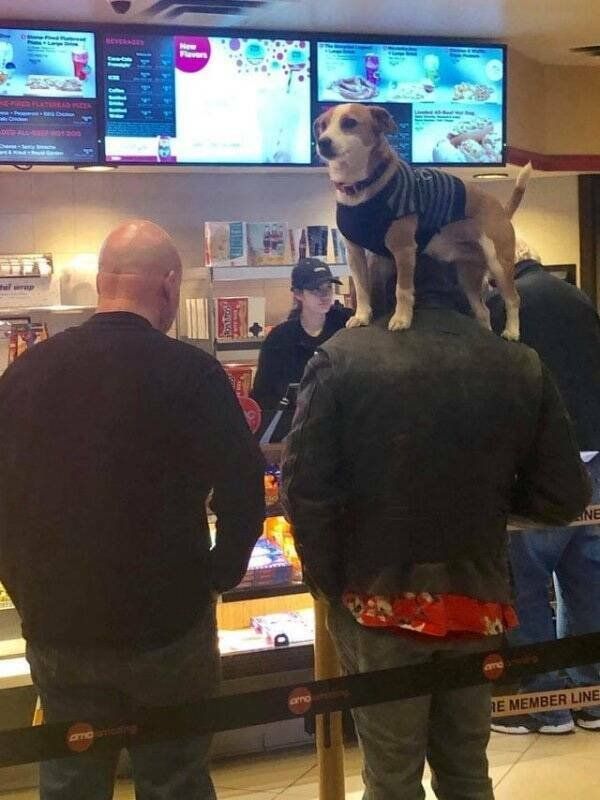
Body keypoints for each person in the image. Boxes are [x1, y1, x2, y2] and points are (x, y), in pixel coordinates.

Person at [282, 254, 590, 800]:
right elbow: (565, 494)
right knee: (468, 771)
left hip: (375, 596)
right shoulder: (516, 362)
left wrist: (332, 585)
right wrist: (492, 503)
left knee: (392, 779)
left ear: (378, 278)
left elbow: (304, 491)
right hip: (478, 591)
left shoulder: (341, 358)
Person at [0, 220, 265, 800]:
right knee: (175, 781)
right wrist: (218, 575)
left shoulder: (25, 374)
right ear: (168, 286)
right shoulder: (193, 372)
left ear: (102, 282)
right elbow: (245, 488)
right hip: (168, 625)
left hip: (60, 627)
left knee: (70, 782)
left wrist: (24, 589)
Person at [488, 238, 600, 735]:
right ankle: (591, 694)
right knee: (586, 580)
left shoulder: (502, 306)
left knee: (528, 582)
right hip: (593, 460)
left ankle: (543, 702)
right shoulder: (577, 297)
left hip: (536, 465)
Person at [251, 257, 352, 442]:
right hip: (294, 433)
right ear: (298, 293)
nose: (325, 295)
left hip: (344, 429)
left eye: (328, 287)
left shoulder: (348, 325)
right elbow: (263, 394)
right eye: (316, 289)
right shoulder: (280, 339)